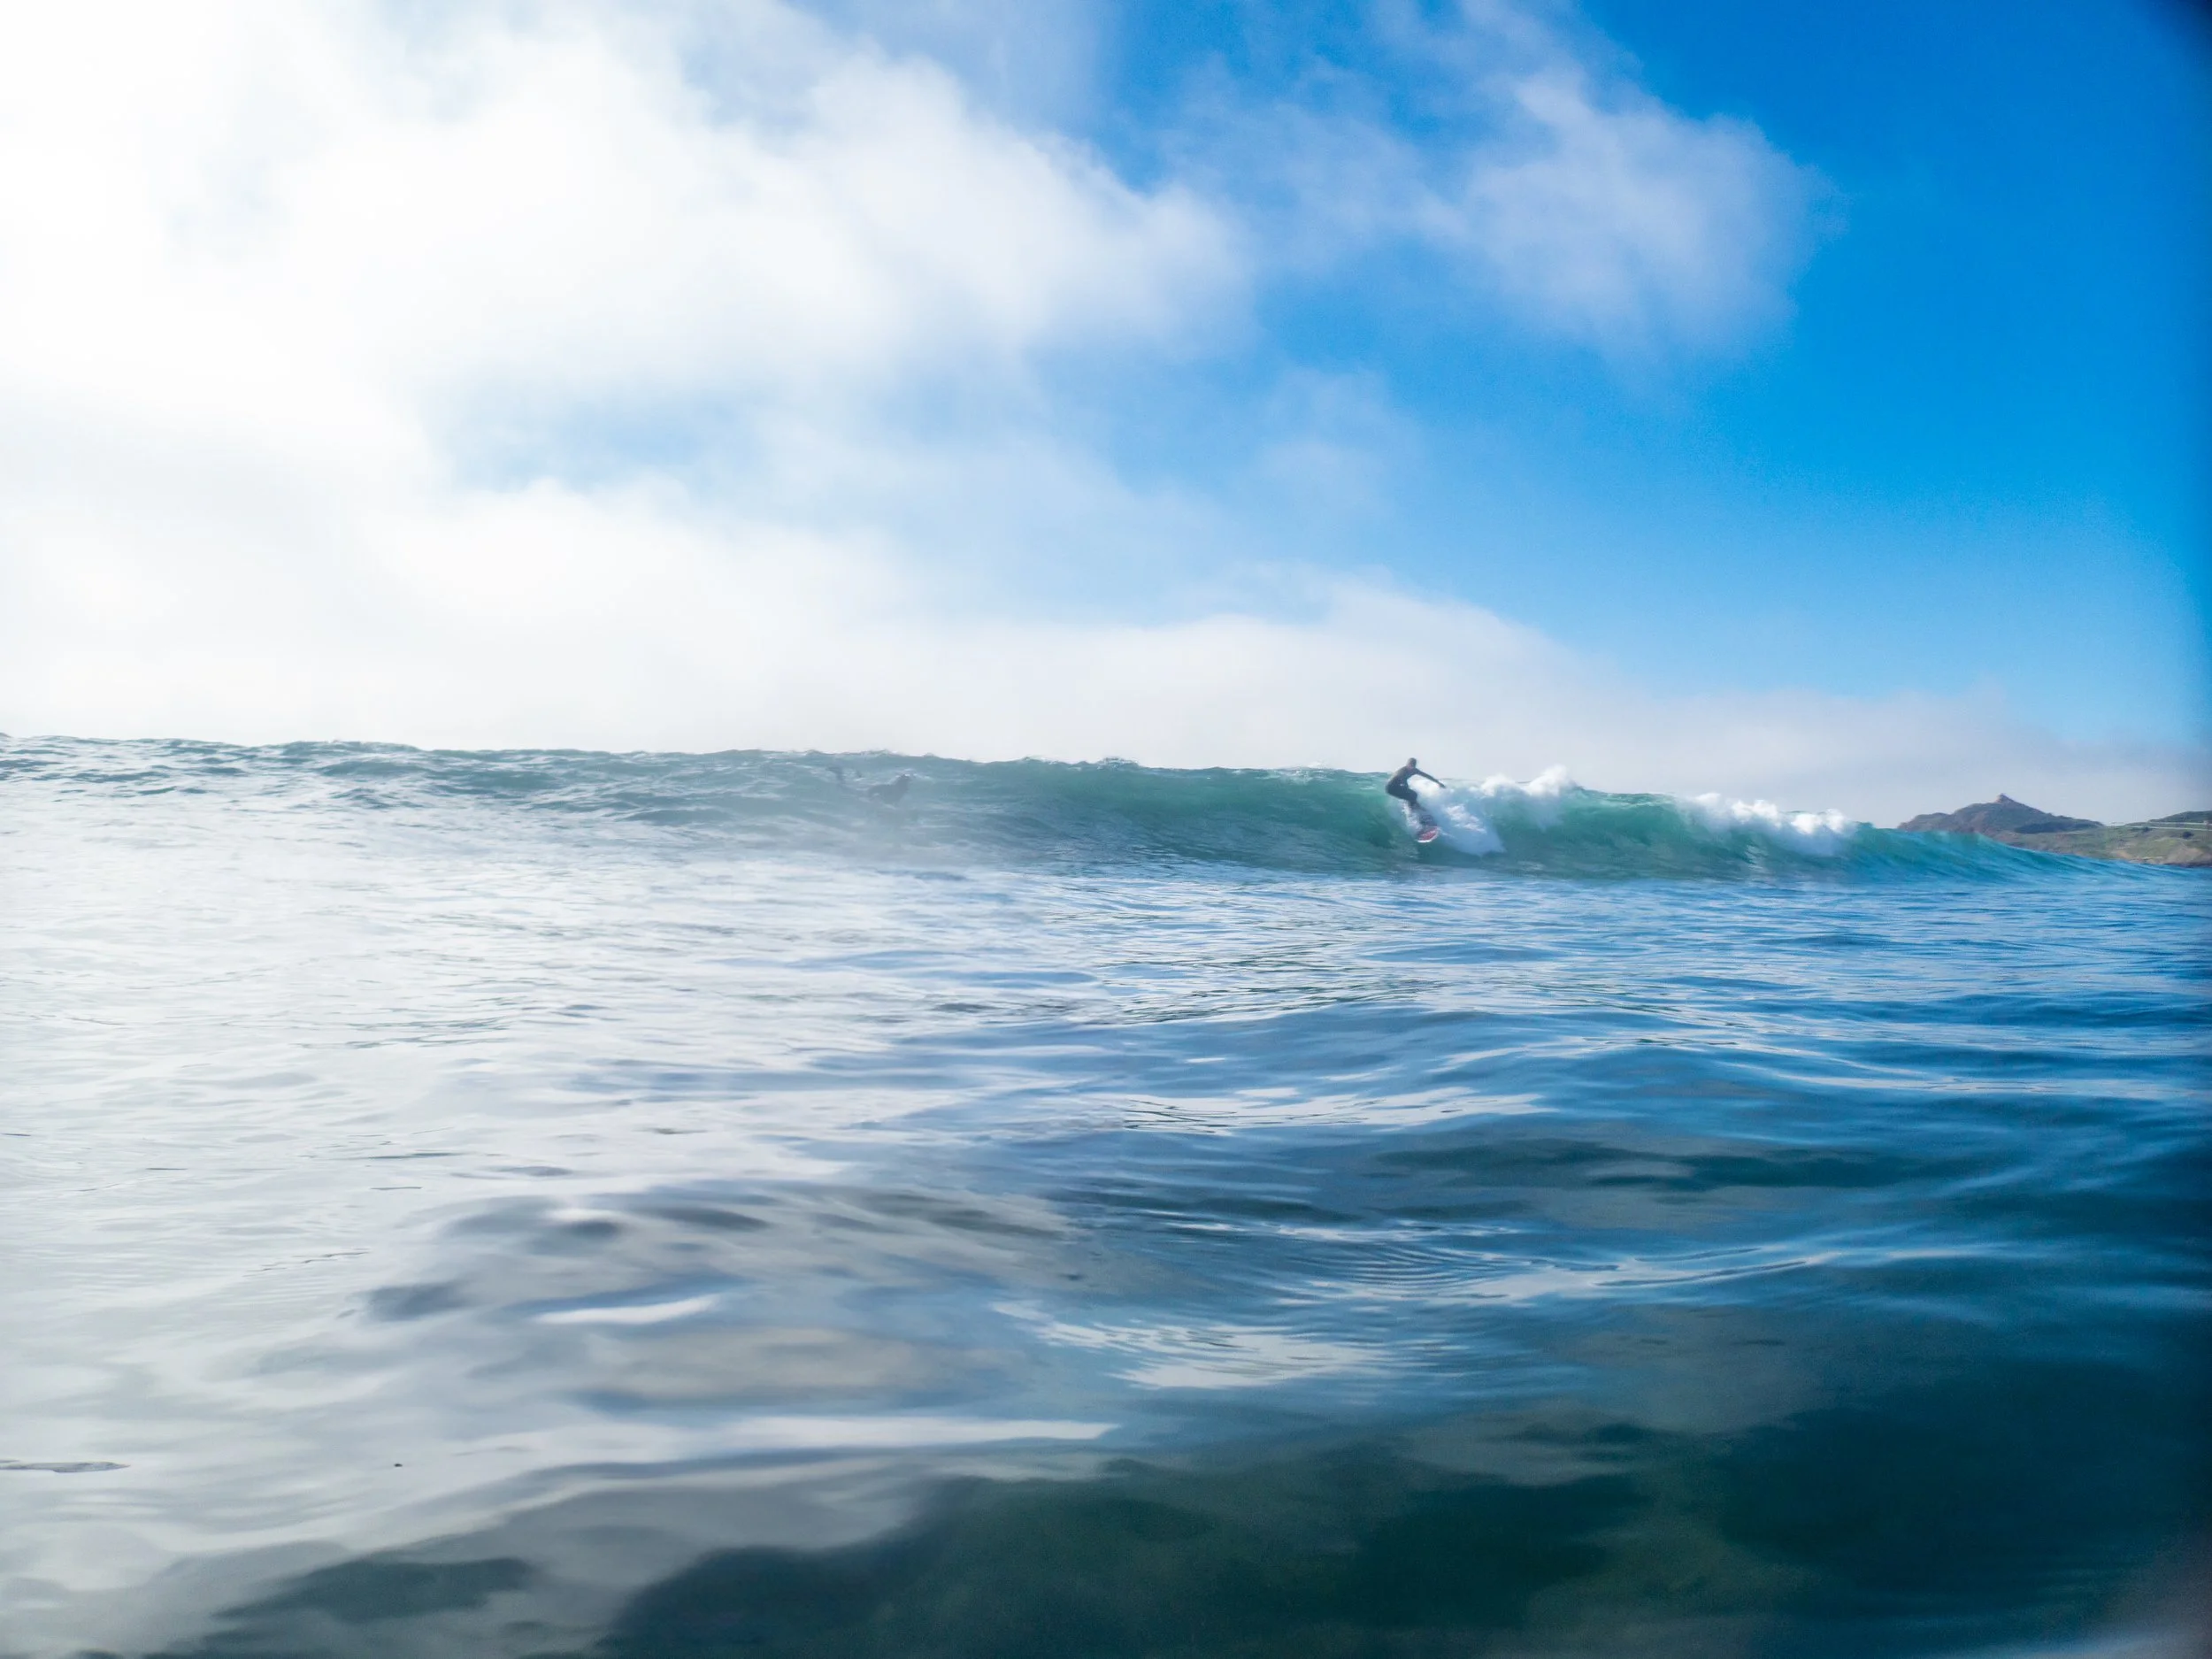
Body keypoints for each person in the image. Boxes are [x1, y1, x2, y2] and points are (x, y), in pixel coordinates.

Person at [1386, 757, 1439, 829]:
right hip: (1391, 788)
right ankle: (1414, 813)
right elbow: (1403, 780)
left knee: (1413, 795)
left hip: (1398, 787)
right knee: (1412, 795)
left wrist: (1438, 782)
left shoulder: (1414, 770)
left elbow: (1426, 776)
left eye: (1413, 766)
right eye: (1410, 765)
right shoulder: (1403, 771)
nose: (1411, 767)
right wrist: (1407, 789)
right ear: (1407, 764)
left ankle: (1415, 810)